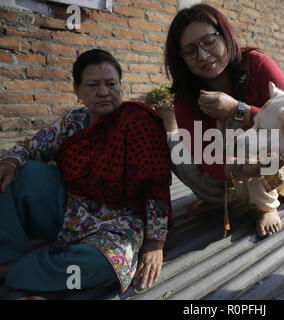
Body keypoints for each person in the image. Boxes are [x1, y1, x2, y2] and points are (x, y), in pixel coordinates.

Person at [0, 49, 172, 293]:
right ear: (77, 92)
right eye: (92, 85)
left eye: (111, 84)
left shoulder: (137, 122)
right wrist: (11, 162)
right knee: (13, 174)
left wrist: (155, 244)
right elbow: (30, 147)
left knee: (104, 266)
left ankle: (13, 271)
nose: (103, 92)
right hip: (69, 208)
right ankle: (6, 257)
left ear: (120, 86)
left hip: (118, 222)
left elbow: (155, 183)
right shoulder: (72, 122)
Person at [165, 4, 284, 238]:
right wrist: (242, 167)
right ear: (181, 59)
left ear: (224, 36)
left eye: (209, 41)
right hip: (230, 177)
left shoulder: (257, 64)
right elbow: (205, 155)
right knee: (174, 145)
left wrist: (238, 110)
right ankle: (232, 197)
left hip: (277, 171)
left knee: (242, 130)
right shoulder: (185, 97)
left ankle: (266, 205)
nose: (203, 55)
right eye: (190, 50)